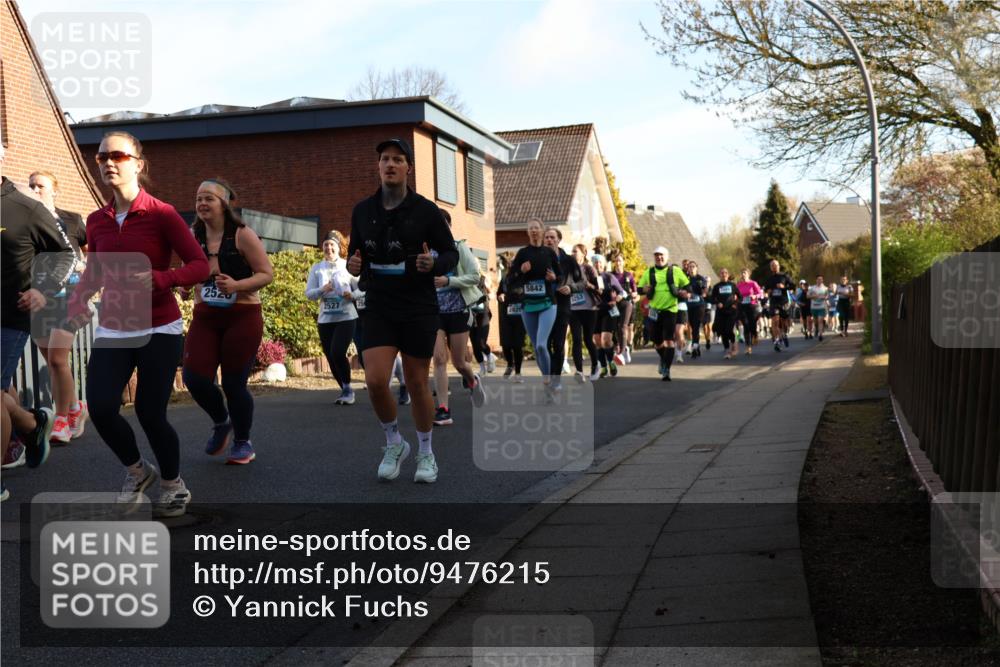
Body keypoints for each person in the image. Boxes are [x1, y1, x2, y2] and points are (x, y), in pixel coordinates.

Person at [63, 131, 210, 517]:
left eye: (118, 155)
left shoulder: (162, 213)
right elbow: (93, 273)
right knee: (102, 405)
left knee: (149, 411)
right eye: (100, 158)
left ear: (138, 163)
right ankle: (137, 470)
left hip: (160, 326)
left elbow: (199, 264)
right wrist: (77, 303)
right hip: (114, 325)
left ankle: (173, 483)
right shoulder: (97, 221)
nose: (108, 162)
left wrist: (164, 279)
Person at [347, 138, 457, 484]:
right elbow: (355, 256)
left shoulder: (425, 211)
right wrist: (353, 264)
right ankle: (394, 442)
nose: (390, 164)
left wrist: (434, 261)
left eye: (397, 159)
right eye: (384, 159)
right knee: (376, 380)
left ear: (408, 168)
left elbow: (450, 253)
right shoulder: (362, 211)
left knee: (415, 381)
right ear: (378, 167)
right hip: (379, 302)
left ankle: (426, 451)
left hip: (417, 305)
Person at [180, 179, 272, 463]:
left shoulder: (242, 235)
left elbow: (266, 274)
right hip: (206, 317)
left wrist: (237, 285)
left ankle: (243, 442)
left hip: (242, 316)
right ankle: (222, 422)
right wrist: (184, 285)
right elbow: (189, 270)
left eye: (209, 198)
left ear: (225, 204)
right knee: (193, 378)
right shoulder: (192, 234)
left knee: (233, 384)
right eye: (198, 199)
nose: (202, 204)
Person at [0, 172, 70, 497]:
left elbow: (64, 254)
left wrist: (43, 290)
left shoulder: (25, 207)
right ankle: (30, 425)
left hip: (9, 316)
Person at [27, 170, 90, 443]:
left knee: (57, 359)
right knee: (53, 362)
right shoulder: (25, 220)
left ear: (55, 189)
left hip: (70, 299)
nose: (35, 189)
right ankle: (77, 407)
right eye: (31, 186)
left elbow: (88, 252)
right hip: (40, 299)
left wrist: (84, 271)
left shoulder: (72, 220)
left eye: (40, 185)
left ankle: (61, 419)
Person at [430, 208, 485, 426]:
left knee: (460, 362)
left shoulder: (459, 247)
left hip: (458, 310)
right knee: (439, 359)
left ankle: (472, 381)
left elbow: (474, 276)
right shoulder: (425, 250)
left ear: (449, 226)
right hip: (435, 312)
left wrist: (448, 281)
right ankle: (443, 408)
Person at [508, 218, 561, 394]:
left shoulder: (549, 253)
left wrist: (555, 279)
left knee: (540, 345)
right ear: (527, 232)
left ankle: (548, 379)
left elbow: (561, 277)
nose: (534, 231)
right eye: (530, 228)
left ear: (542, 230)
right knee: (537, 348)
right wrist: (520, 271)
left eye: (536, 228)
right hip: (528, 305)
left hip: (548, 303)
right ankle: (547, 383)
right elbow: (510, 279)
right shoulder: (522, 253)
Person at [306, 230, 360, 405]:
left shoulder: (347, 266)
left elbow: (362, 288)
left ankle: (348, 390)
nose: (329, 248)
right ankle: (345, 388)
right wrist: (323, 289)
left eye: (332, 245)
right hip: (325, 319)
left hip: (346, 316)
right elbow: (309, 294)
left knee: (337, 352)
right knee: (330, 356)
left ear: (338, 247)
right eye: (326, 245)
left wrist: (351, 295)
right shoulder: (317, 268)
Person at [637, 246, 690, 381]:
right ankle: (664, 359)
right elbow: (639, 289)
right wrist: (644, 288)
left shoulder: (675, 271)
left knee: (668, 341)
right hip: (654, 311)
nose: (659, 258)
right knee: (656, 341)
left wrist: (685, 292)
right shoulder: (649, 272)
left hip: (670, 310)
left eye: (662, 255)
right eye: (657, 255)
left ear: (667, 257)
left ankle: (666, 369)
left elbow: (687, 285)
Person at [568, 243, 601, 382]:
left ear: (584, 253)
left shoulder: (589, 269)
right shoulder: (568, 269)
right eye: (572, 251)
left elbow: (600, 290)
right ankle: (579, 371)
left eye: (575, 251)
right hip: (573, 309)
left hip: (589, 309)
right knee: (576, 339)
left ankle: (595, 364)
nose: (573, 253)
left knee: (588, 339)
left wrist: (588, 285)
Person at [590, 255, 622, 378]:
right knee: (597, 342)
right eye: (595, 263)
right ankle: (603, 367)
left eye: (600, 263)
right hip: (594, 311)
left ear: (604, 264)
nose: (598, 265)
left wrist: (616, 299)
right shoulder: (589, 278)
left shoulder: (609, 277)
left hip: (609, 311)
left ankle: (611, 361)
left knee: (606, 340)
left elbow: (621, 292)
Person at [496, 253, 526, 382]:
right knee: (506, 344)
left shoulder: (524, 277)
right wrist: (500, 295)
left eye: (515, 262)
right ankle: (510, 364)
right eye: (511, 263)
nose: (512, 265)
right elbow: (499, 292)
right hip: (506, 313)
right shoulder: (505, 278)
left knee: (517, 345)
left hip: (520, 314)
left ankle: (518, 372)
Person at [761, 259, 795, 352]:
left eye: (775, 265)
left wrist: (784, 287)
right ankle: (777, 341)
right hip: (774, 302)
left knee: (784, 322)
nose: (774, 267)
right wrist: (768, 292)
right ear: (771, 268)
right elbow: (765, 291)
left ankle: (783, 334)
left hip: (783, 302)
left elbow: (793, 286)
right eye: (772, 266)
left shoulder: (784, 276)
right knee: (775, 321)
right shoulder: (769, 279)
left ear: (779, 266)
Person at [610, 255, 637, 365]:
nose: (618, 262)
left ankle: (623, 351)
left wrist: (628, 294)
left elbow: (635, 292)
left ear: (623, 262)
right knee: (616, 327)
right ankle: (622, 348)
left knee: (623, 326)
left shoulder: (628, 275)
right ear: (614, 263)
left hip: (626, 303)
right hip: (614, 305)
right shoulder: (611, 275)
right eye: (616, 260)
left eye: (620, 260)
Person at [710, 268, 741, 359]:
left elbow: (740, 297)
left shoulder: (732, 285)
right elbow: (712, 298)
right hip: (721, 311)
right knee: (723, 331)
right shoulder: (716, 286)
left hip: (731, 311)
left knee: (729, 330)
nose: (724, 274)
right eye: (722, 273)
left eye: (725, 273)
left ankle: (733, 343)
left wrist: (735, 304)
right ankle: (727, 350)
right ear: (720, 275)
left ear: (728, 275)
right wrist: (717, 303)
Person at [684, 261, 709, 358]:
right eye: (689, 267)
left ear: (696, 268)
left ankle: (694, 347)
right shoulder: (685, 279)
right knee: (692, 326)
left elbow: (705, 291)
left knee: (696, 326)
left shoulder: (701, 278)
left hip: (699, 305)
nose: (691, 268)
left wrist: (703, 292)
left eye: (693, 267)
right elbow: (682, 290)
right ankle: (696, 345)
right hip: (689, 306)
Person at [736, 268, 764, 356]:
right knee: (746, 325)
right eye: (742, 273)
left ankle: (755, 335)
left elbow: (761, 294)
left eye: (745, 273)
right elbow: (736, 296)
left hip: (752, 306)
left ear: (748, 274)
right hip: (742, 307)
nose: (743, 274)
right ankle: (748, 347)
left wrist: (755, 296)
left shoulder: (753, 283)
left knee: (752, 325)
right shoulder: (739, 285)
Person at [808, 276, 831, 341]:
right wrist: (813, 296)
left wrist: (824, 297)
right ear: (816, 280)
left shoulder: (825, 288)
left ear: (822, 280)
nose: (819, 280)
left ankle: (820, 335)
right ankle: (816, 328)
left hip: (821, 306)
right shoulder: (812, 288)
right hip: (814, 307)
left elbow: (827, 296)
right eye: (818, 279)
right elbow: (807, 296)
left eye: (821, 279)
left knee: (820, 320)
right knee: (815, 321)